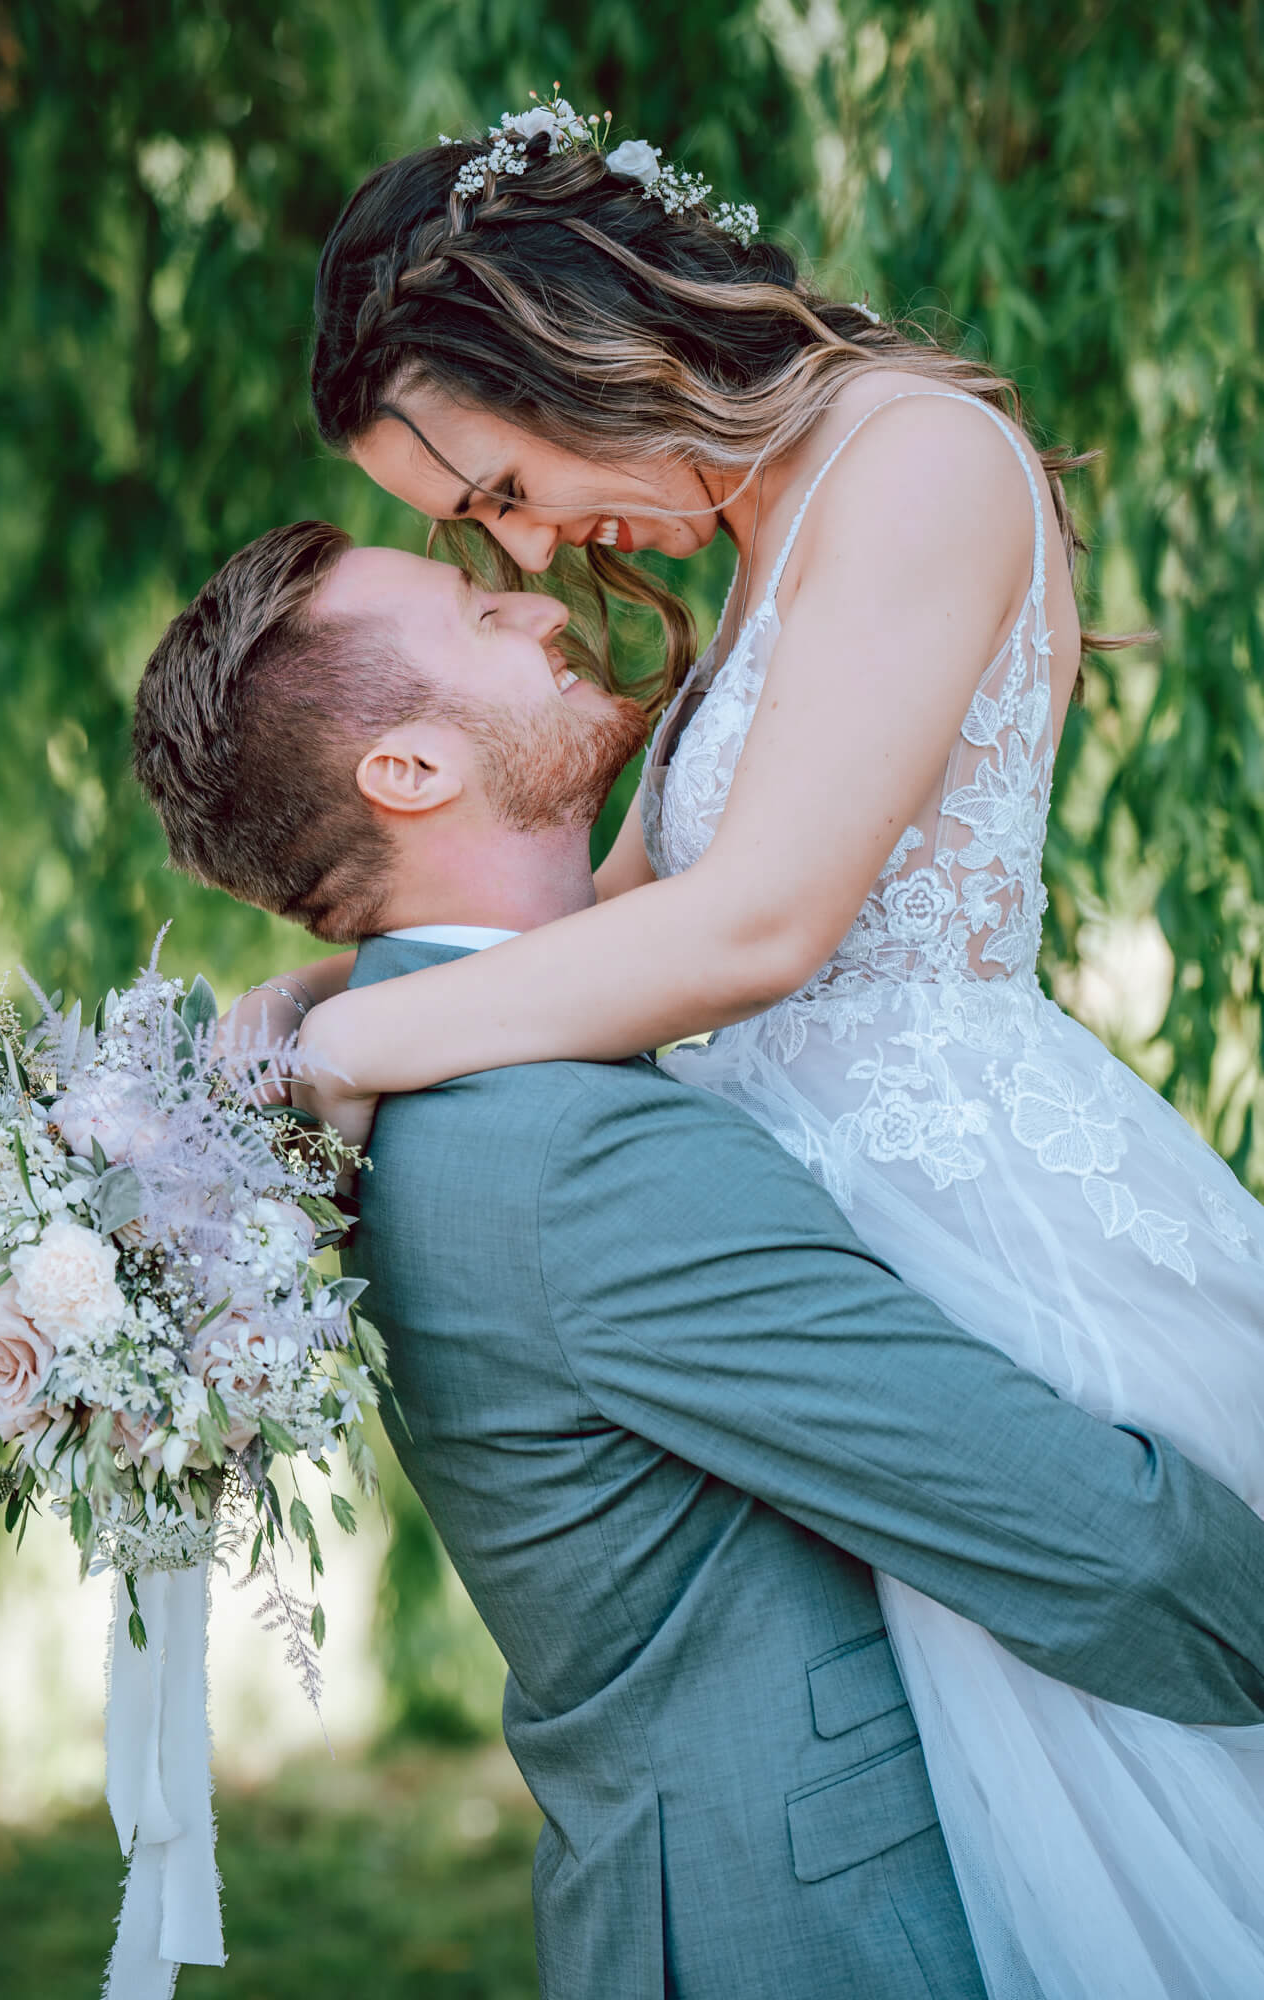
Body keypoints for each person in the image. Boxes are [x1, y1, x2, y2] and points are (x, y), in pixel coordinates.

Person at [242, 114, 1264, 1994]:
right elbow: (619, 914)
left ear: (557, 332)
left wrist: (370, 1038)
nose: (534, 542)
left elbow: (759, 928)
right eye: (487, 536)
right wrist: (299, 1006)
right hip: (839, 1207)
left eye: (498, 488)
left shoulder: (914, 459)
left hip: (979, 1208)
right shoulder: (768, 508)